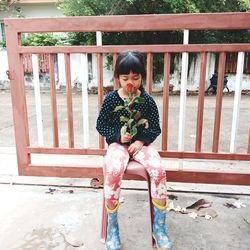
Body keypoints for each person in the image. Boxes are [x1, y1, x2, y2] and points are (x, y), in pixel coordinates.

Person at [96, 51, 172, 250]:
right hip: (117, 145)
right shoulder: (112, 99)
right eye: (125, 78)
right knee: (113, 171)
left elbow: (155, 127)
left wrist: (141, 140)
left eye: (136, 77)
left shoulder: (146, 100)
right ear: (117, 78)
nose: (131, 82)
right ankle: (112, 228)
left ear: (142, 77)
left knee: (158, 169)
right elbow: (101, 125)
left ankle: (159, 227)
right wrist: (117, 136)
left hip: (141, 145)